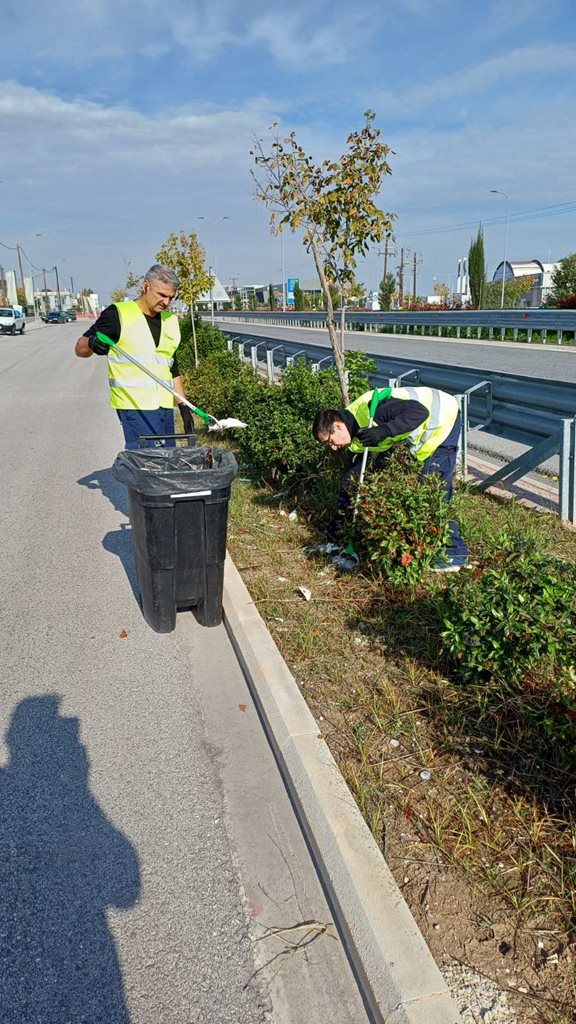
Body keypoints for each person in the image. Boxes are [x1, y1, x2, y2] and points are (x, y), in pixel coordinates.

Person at [312, 385, 468, 571]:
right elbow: (351, 480)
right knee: (378, 477)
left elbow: (420, 412)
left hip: (442, 418)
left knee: (434, 492)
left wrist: (382, 431)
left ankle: (454, 554)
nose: (333, 448)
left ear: (337, 426)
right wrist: (336, 528)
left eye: (330, 442)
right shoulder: (353, 436)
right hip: (420, 430)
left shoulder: (373, 408)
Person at [75, 264, 194, 449]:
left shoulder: (170, 321)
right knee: (146, 462)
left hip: (164, 407)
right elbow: (79, 348)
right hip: (134, 406)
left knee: (168, 458)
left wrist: (184, 406)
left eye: (171, 297)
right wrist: (91, 344)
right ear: (146, 286)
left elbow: (172, 368)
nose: (167, 302)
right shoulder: (118, 314)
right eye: (162, 295)